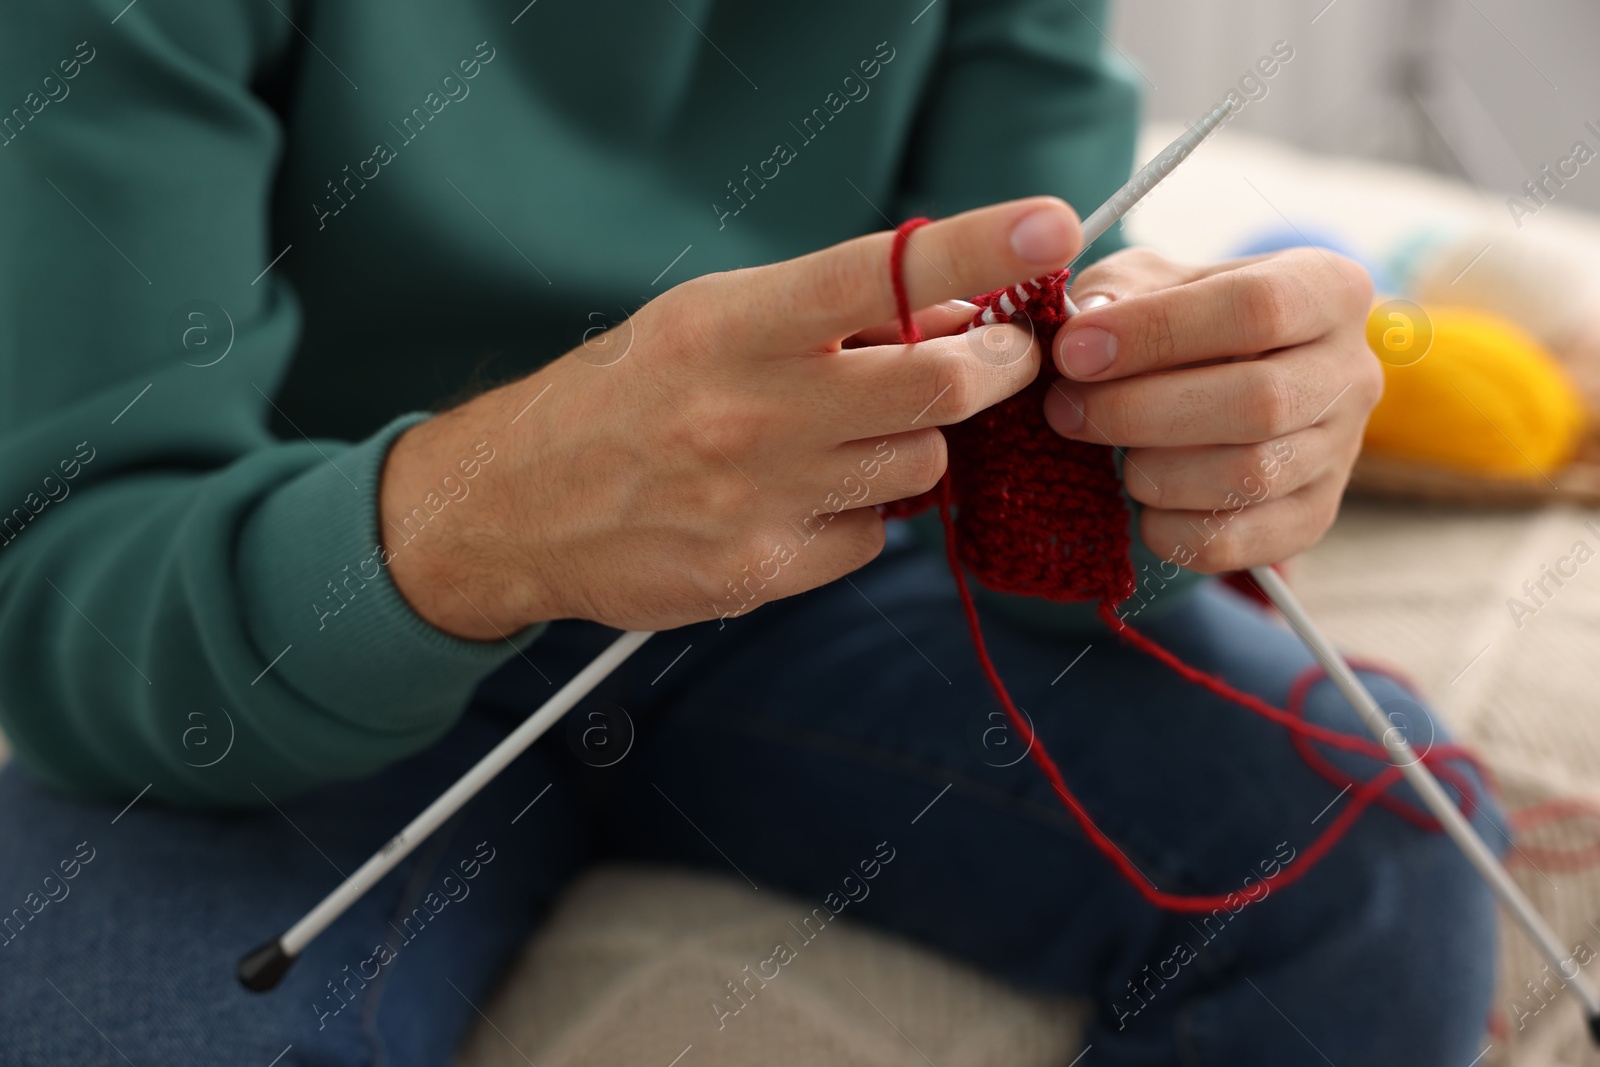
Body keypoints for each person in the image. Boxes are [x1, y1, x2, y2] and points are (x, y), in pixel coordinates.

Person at [0, 2, 1499, 1065]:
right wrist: (487, 518)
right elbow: (78, 582)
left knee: (1377, 852)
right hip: (289, 603)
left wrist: (1182, 452)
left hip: (834, 577)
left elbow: (1041, 457)